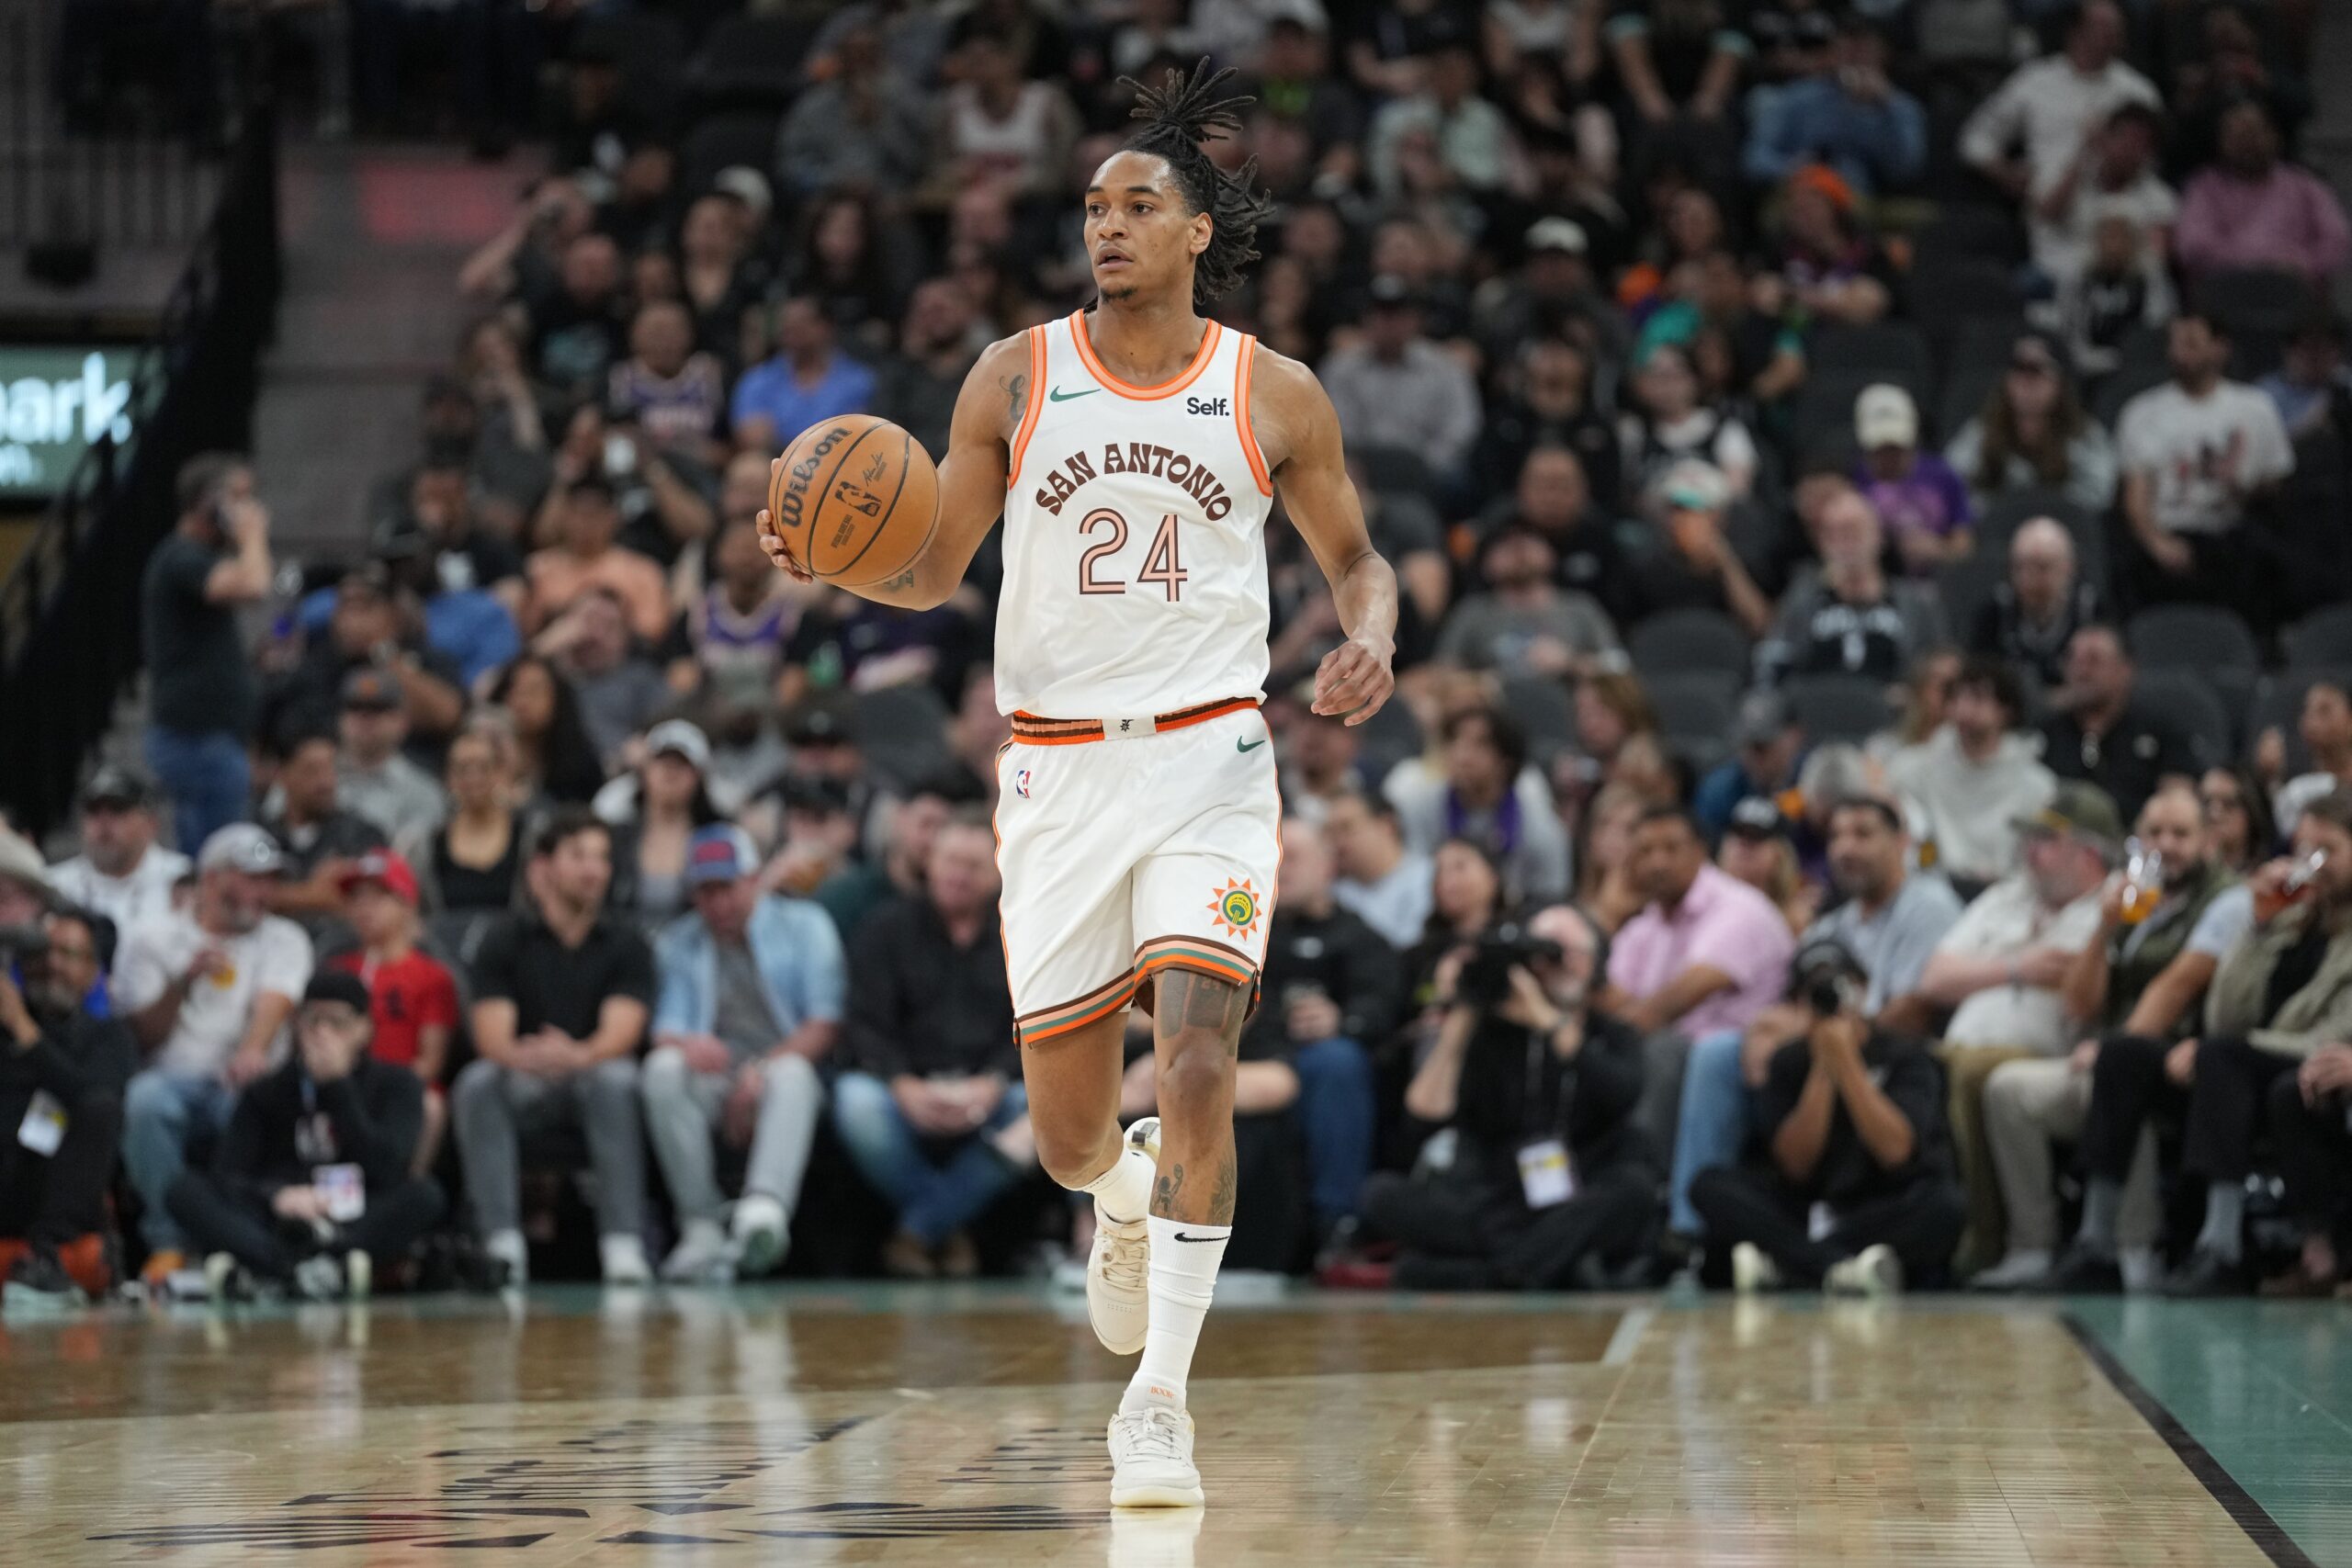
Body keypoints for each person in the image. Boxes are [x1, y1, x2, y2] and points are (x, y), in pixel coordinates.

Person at [755, 62, 1400, 1509]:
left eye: (1137, 205)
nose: (1106, 226)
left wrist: (1369, 633)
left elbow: (1358, 558)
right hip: (1052, 774)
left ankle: (1158, 1399)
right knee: (1065, 1135)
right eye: (1092, 206)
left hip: (1211, 762)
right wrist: (830, 556)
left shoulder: (1272, 392)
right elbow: (928, 569)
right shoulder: (1013, 372)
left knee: (1196, 1065)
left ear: (1195, 233)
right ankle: (1117, 1199)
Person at [1991, 784, 2254, 1291]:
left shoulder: (2228, 900)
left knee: (2120, 1073)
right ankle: (2033, 1245)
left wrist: (2114, 1049)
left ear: (2208, 843)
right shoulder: (2135, 902)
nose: (2167, 844)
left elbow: (2174, 988)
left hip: (2187, 1056)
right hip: (2113, 1047)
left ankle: (2133, 1247)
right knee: (2007, 1089)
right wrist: (2104, 927)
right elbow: (2079, 1005)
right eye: (2155, 832)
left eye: (2181, 833)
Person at [1668, 795, 1962, 1243]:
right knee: (1720, 1064)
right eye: (1837, 836)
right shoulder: (1829, 926)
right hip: (1813, 1099)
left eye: (1863, 834)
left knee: (1941, 1205)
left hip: (1890, 1070)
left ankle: (1797, 1257)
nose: (1845, 847)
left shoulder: (1926, 903)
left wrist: (1844, 1042)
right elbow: (1781, 1022)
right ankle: (1698, 1238)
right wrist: (1816, 1047)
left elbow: (1913, 1010)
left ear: (1901, 842)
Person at [1364, 903, 1657, 1289]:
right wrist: (1467, 1011)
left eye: (1572, 952)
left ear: (1595, 963)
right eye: (1548, 952)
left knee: (1634, 1190)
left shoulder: (1612, 1034)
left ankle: (1488, 1273)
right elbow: (1424, 1114)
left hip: (1582, 1186)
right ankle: (1549, 1264)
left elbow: (1620, 1093)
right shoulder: (1493, 1035)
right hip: (1501, 1196)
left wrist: (1547, 1020)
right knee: (1380, 1194)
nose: (1560, 964)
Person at [2133, 789, 2352, 1296]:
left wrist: (2239, 1047)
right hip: (2263, 1060)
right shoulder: (2293, 920)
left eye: (2329, 851)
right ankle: (2112, 1245)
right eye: (2302, 851)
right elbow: (2225, 1015)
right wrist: (2256, 927)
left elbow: (2338, 1032)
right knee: (2134, 1057)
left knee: (2231, 1062)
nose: (2311, 865)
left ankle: (2223, 1242)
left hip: (2312, 1057)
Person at [1914, 783, 2114, 1275]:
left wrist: (1980, 967)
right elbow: (1934, 979)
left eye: (2046, 841)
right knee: (1914, 1070)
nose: (2030, 851)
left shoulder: (2114, 907)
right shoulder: (2007, 896)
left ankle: (1985, 1235)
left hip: (2045, 1055)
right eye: (2029, 839)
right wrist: (2018, 967)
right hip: (1957, 1045)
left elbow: (2082, 998)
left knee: (1972, 1073)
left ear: (2089, 853)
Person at [1690, 937, 1966, 1295]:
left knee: (1944, 1206)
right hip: (1806, 1209)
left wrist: (1848, 1065)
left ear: (1863, 989)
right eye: (1814, 992)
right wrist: (1824, 1067)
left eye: (1841, 985)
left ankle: (1789, 1266)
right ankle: (1835, 1268)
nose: (1831, 1000)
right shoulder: (1788, 1061)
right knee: (1710, 1185)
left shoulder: (1908, 1057)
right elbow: (1795, 1166)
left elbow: (1896, 1152)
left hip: (1880, 1205)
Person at [450, 808, 656, 1287]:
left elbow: (622, 1032)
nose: (594, 870)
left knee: (617, 1078)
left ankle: (623, 1243)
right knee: (478, 1083)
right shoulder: (504, 939)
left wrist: (577, 1056)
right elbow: (491, 1038)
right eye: (579, 856)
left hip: (595, 1078)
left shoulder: (627, 942)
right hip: (527, 1078)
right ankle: (500, 1244)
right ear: (543, 868)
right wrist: (535, 1057)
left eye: (602, 859)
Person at [644, 826, 844, 1283]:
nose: (718, 904)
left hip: (790, 1076)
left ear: (754, 879)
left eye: (727, 887)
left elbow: (824, 1024)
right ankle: (701, 1227)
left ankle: (762, 1214)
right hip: (716, 1080)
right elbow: (665, 1033)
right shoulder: (678, 941)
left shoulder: (806, 925)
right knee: (662, 1070)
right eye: (705, 891)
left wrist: (761, 1070)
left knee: (792, 1073)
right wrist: (688, 1044)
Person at [115, 826, 314, 1285]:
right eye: (251, 878)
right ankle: (170, 1245)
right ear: (210, 879)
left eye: (270, 880)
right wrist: (183, 983)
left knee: (253, 1102)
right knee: (144, 1102)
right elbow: (140, 1037)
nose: (263, 891)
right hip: (172, 1079)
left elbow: (275, 1001)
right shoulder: (152, 937)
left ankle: (239, 1241)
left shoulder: (285, 938)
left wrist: (252, 1051)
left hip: (246, 1081)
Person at [165, 971, 443, 1300]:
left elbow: (388, 1167)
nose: (323, 1034)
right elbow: (230, 1173)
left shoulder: (397, 1085)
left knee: (425, 1194)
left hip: (353, 1215)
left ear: (364, 1028)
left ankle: (284, 1268)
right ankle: (305, 1267)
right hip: (279, 1215)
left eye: (337, 1023)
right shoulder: (267, 1091)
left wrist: (338, 1088)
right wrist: (277, 1197)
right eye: (313, 1021)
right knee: (185, 1189)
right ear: (297, 1025)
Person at [831, 813, 1026, 1278]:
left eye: (974, 865)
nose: (959, 874)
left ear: (999, 872)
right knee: (855, 1103)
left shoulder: (1020, 934)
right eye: (951, 861)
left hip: (990, 1089)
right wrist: (901, 1084)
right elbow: (863, 1024)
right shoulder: (884, 929)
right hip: (904, 1086)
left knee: (1039, 1109)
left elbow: (1031, 1024)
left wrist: (994, 1083)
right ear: (930, 863)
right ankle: (947, 1226)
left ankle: (919, 1230)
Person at [1603, 805, 1798, 1148]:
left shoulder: (1739, 907)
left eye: (1671, 849)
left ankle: (1648, 1177)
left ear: (1700, 851)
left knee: (1661, 1048)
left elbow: (1674, 1002)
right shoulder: (1645, 924)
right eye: (1645, 851)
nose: (1657, 862)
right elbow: (1612, 998)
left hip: (1740, 1065)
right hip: (1669, 1060)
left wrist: (1605, 1043)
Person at [1241, 820, 1398, 1245]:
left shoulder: (1360, 937)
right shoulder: (1247, 930)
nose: (1281, 867)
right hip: (1253, 1057)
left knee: (1338, 1061)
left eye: (1293, 857)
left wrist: (1340, 1021)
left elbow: (1386, 1006)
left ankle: (1337, 1224)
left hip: (1313, 1064)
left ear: (1328, 866)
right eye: (1274, 857)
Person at [0, 907, 136, 1309]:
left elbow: (91, 1100)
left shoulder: (108, 1036)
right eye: (42, 953)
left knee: (99, 1107)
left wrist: (23, 1028)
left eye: (68, 954)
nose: (52, 965)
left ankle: (47, 1257)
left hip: (54, 1193)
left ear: (94, 970)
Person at [2115, 312, 2294, 614]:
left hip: (2230, 534)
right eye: (2174, 344)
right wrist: (2157, 542)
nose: (2178, 354)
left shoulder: (2255, 408)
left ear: (2219, 348)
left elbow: (2276, 484)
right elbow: (2136, 495)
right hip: (2170, 530)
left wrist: (2240, 484)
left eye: (2191, 344)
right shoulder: (2142, 412)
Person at [142, 454, 270, 852]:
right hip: (195, 739)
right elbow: (252, 585)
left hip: (214, 738)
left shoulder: (196, 557)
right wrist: (252, 537)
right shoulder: (181, 556)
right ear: (206, 503)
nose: (250, 509)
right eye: (238, 498)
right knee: (221, 860)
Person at [327, 851, 457, 1177]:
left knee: (430, 1105)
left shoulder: (431, 975)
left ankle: (405, 1198)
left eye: (379, 896)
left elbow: (431, 1062)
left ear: (406, 904)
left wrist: (380, 1086)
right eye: (356, 897)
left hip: (401, 1086)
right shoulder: (337, 971)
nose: (365, 907)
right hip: (340, 1081)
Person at [1887, 656, 2057, 892]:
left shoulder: (2036, 784)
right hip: (1935, 891)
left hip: (2004, 895)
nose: (1963, 708)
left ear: (2006, 710)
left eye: (1977, 698)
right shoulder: (1912, 770)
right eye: (1956, 697)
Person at [1958, 0, 2155, 202]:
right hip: (2050, 212)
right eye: (2103, 26)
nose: (2113, 33)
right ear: (2074, 31)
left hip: (2120, 210)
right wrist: (2005, 173)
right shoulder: (2034, 80)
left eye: (2117, 26)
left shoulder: (2138, 91)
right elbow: (1976, 139)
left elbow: (2152, 162)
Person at [1758, 485, 1950, 687]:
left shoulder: (1917, 604)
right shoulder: (1803, 602)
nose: (1845, 543)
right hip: (1818, 710)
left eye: (1853, 530)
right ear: (1822, 544)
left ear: (1878, 536)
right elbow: (1773, 665)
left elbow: (1941, 671)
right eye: (1834, 534)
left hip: (1896, 712)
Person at [1386, 705, 1572, 906]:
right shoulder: (1421, 807)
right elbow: (1410, 883)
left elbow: (1552, 898)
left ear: (1506, 761)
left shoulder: (1539, 827)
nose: (1461, 756)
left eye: (1479, 745)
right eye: (1454, 741)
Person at [2039, 625, 2209, 824]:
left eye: (2093, 661)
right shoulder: (2046, 732)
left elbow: (2179, 805)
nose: (2080, 671)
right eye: (2072, 660)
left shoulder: (2161, 730)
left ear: (2125, 669)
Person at [1319, 275, 1483, 481]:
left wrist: (1425, 464)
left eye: (1398, 315)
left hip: (1429, 470)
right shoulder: (1340, 367)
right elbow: (1333, 428)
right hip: (1359, 471)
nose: (1390, 324)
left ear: (1415, 320)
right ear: (1365, 320)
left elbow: (1462, 425)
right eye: (1381, 314)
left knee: (1458, 477)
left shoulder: (1445, 367)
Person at [1740, 15, 1923, 197]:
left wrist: (1884, 107)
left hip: (1860, 199)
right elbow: (1755, 158)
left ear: (1883, 55)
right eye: (1847, 50)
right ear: (1832, 53)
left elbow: (1905, 170)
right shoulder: (1799, 97)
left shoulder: (1901, 107)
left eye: (1863, 51)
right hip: (1801, 190)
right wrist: (1793, 168)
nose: (1855, 60)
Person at [2173, 98, 2351, 286]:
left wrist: (2300, 264)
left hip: (2294, 290)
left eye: (2254, 133)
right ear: (2222, 142)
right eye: (2238, 136)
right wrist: (2256, 262)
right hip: (2227, 292)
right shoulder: (2204, 186)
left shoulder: (2304, 185)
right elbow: (2192, 245)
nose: (2247, 144)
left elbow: (2337, 239)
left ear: (2274, 137)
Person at [1433, 526, 1620, 681]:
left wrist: (1570, 663)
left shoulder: (1580, 607)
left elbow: (1618, 668)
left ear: (1551, 555)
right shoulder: (1472, 612)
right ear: (1486, 564)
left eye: (1529, 540)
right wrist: (1489, 680)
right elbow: (1443, 674)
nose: (1518, 550)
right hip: (1498, 713)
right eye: (1505, 545)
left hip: (1573, 706)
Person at [260, 729, 389, 942]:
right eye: (311, 770)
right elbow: (242, 897)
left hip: (342, 948)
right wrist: (314, 892)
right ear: (282, 775)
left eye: (331, 769)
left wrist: (280, 895)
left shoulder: (361, 833)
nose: (326, 782)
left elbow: (364, 902)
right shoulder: (262, 834)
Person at [1620, 458, 1774, 636]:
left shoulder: (1744, 561)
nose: (1680, 521)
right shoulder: (1646, 568)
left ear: (1717, 516)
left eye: (1692, 510)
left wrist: (1726, 563)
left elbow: (1761, 625)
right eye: (1675, 509)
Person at [45, 768, 190, 952]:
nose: (104, 821)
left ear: (151, 824)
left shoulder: (182, 878)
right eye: (93, 811)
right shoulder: (52, 885)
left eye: (118, 810)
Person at [1964, 517, 2104, 694]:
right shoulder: (1993, 614)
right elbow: (1978, 680)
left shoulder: (2092, 613)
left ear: (2069, 568)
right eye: (2019, 568)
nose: (2028, 580)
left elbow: (2106, 685)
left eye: (2042, 568)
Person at [729, 298, 878, 456]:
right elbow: (754, 438)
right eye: (787, 323)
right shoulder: (758, 379)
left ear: (826, 327)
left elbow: (859, 437)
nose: (793, 329)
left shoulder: (859, 381)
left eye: (803, 322)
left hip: (841, 465)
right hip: (775, 463)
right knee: (750, 468)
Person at [1851, 386, 1973, 573]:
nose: (1889, 457)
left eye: (1896, 448)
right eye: (1880, 449)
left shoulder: (1943, 476)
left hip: (1938, 580)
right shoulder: (1856, 481)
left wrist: (1938, 549)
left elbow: (1965, 545)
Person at [413, 723, 527, 919]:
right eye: (462, 769)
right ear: (448, 777)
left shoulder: (529, 837)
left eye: (483, 767)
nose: (473, 777)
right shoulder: (425, 844)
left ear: (500, 771)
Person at [335, 669, 447, 850]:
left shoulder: (423, 793)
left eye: (377, 709)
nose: (365, 718)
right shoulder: (313, 780)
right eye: (355, 708)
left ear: (402, 721)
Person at [1693, 689, 1805, 843]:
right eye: (1747, 745)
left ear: (1794, 736)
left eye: (1762, 746)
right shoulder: (1720, 789)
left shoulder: (1814, 783)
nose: (1754, 756)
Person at [1326, 789, 1431, 952]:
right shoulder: (1333, 893)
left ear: (1386, 825)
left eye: (1346, 828)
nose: (1338, 842)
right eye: (1331, 833)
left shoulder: (1429, 878)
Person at [2273, 679, 2352, 839]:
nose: (2312, 720)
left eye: (2325, 710)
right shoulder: (2296, 793)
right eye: (2308, 711)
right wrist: (2271, 777)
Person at [2201, 765, 2278, 878]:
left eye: (2228, 804)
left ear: (2251, 813)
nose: (2214, 814)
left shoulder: (2269, 879)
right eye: (2206, 802)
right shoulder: (2181, 874)